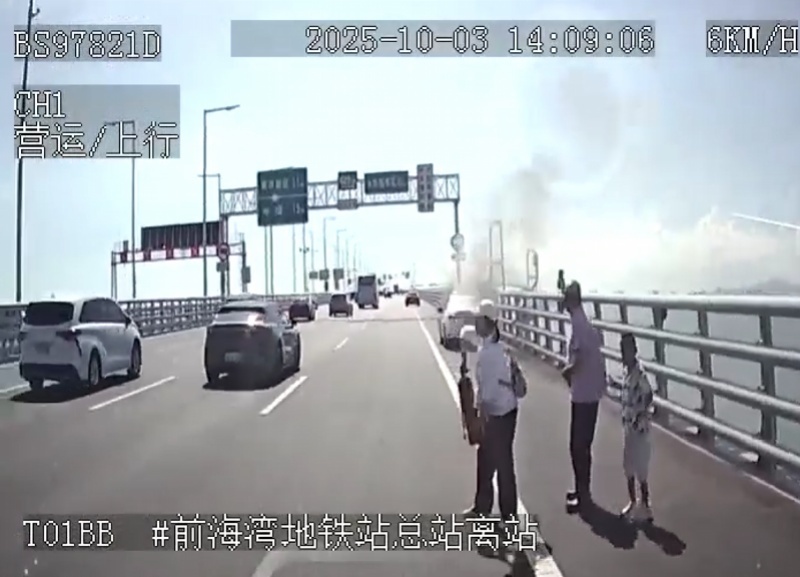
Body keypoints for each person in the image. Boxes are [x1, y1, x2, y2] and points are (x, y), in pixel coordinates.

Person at [465, 299, 526, 522]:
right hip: (506, 410)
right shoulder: (495, 348)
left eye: (478, 319)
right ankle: (486, 508)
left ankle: (504, 515)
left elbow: (488, 393)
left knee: (500, 464)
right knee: (490, 460)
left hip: (499, 414)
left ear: (487, 322)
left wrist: (478, 416)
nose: (475, 323)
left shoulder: (490, 354)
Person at [560, 281, 607, 509]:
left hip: (584, 394)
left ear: (571, 301)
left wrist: (567, 371)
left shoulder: (578, 325)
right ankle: (582, 491)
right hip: (590, 391)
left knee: (578, 446)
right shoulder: (584, 321)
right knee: (582, 445)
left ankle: (583, 495)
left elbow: (578, 358)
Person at [619, 332, 654, 522]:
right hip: (628, 426)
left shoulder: (640, 374)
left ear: (634, 351)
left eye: (626, 350)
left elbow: (649, 395)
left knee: (641, 469)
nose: (623, 355)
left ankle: (646, 506)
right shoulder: (626, 373)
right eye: (622, 350)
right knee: (628, 466)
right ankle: (633, 502)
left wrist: (641, 413)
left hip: (639, 429)